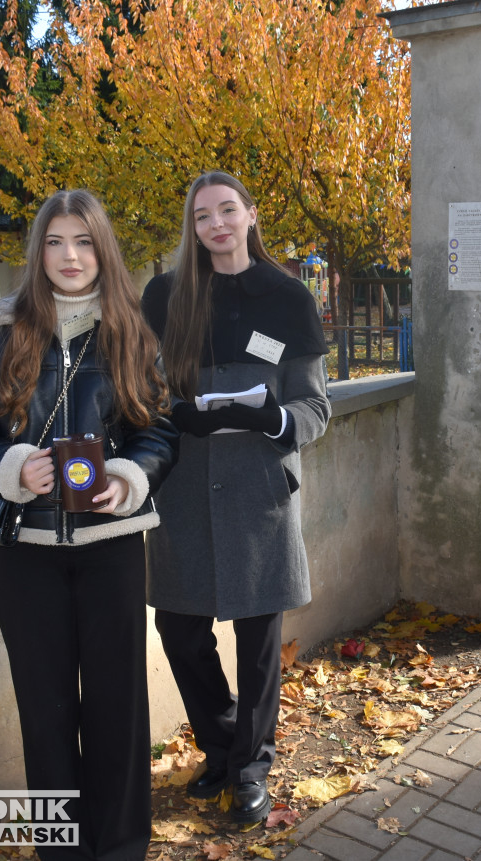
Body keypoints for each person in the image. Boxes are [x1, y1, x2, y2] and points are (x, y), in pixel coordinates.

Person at [0, 189, 178, 861]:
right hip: (27, 553)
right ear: (38, 251)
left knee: (118, 709)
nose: (71, 256)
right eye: (55, 242)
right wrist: (11, 464)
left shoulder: (131, 331)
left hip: (113, 550)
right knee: (45, 713)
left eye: (84, 241)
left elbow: (160, 428)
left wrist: (130, 476)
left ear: (103, 249)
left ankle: (121, 847)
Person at [141, 170, 330, 824]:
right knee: (178, 628)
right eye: (203, 216)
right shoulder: (165, 296)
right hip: (183, 490)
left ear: (250, 214)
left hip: (259, 490)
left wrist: (273, 418)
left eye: (227, 210)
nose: (216, 224)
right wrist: (167, 413)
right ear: (193, 228)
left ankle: (251, 768)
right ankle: (220, 747)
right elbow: (143, 388)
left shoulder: (289, 297)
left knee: (257, 641)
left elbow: (314, 406)